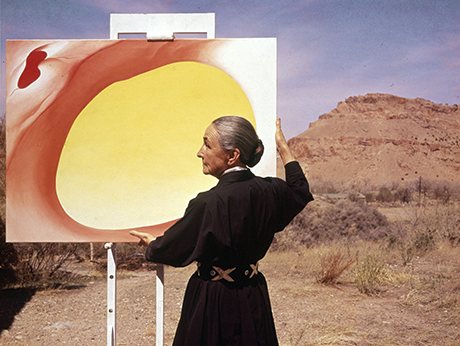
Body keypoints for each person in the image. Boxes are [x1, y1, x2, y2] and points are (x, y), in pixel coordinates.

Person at [130, 116, 313, 345]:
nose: (200, 152)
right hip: (253, 295)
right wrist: (282, 146)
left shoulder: (208, 203)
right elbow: (300, 190)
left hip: (213, 301)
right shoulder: (271, 191)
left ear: (232, 155)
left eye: (207, 144)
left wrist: (153, 245)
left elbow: (172, 250)